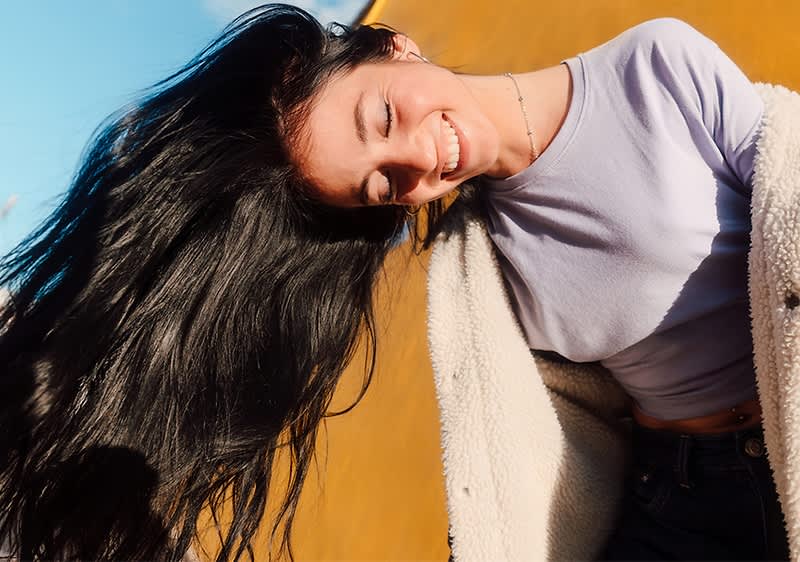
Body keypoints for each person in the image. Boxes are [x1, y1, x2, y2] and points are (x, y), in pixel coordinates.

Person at [0, 3, 794, 561]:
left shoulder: (653, 68)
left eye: (380, 120)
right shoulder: (474, 262)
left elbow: (787, 187)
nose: (414, 162)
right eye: (382, 186)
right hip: (685, 500)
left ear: (394, 48)